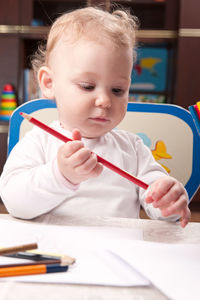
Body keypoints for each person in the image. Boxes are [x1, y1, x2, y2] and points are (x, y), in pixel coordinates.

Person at [0, 6, 190, 227]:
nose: (105, 101)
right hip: (55, 253)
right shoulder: (39, 141)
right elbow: (14, 201)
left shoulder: (134, 149)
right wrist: (60, 175)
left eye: (117, 90)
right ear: (49, 84)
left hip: (119, 254)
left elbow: (158, 203)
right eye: (88, 86)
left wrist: (168, 200)